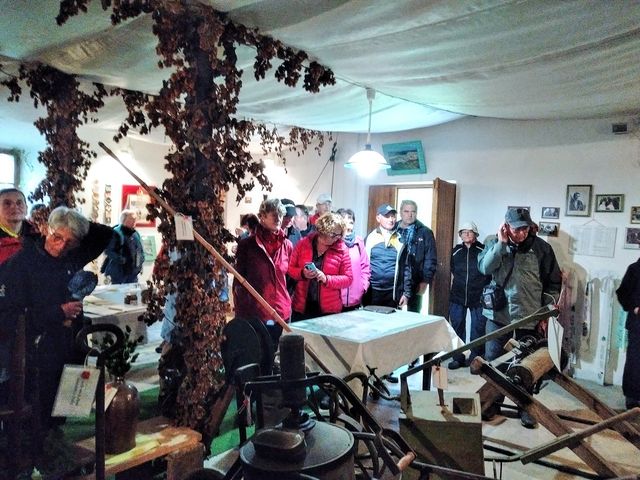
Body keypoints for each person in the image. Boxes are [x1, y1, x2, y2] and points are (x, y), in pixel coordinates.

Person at [0, 206, 113, 429]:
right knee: (34, 414)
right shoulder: (21, 264)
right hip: (33, 353)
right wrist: (59, 312)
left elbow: (104, 234)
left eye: (70, 242)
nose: (61, 246)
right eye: (57, 237)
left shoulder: (72, 256)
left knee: (62, 407)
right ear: (46, 229)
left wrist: (71, 217)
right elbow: (9, 315)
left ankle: (54, 441)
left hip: (66, 346)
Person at [478, 207, 561, 428]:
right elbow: (484, 268)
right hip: (498, 315)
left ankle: (525, 406)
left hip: (529, 316)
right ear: (506, 227)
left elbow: (553, 283)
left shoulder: (542, 248)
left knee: (526, 365)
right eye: (517, 229)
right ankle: (493, 403)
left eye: (525, 228)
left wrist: (545, 312)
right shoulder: (493, 243)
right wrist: (501, 244)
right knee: (494, 362)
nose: (522, 233)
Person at [233, 198, 292, 350]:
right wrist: (241, 313)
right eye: (274, 214)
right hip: (255, 312)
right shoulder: (247, 245)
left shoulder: (287, 245)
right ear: (262, 217)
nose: (278, 218)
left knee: (274, 352)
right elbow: (239, 282)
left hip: (279, 312)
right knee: (256, 353)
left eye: (280, 214)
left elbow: (288, 278)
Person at [288, 213, 353, 321]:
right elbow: (290, 269)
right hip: (302, 307)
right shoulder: (303, 244)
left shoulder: (342, 250)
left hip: (329, 310)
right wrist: (302, 273)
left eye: (339, 235)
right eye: (334, 235)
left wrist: (326, 279)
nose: (337, 238)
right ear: (323, 231)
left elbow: (348, 279)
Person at [447, 222, 491, 369]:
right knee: (457, 327)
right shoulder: (455, 251)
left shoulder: (483, 250)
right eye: (463, 232)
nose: (466, 234)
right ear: (460, 235)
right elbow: (452, 269)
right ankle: (457, 358)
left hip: (478, 297)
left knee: (477, 329)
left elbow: (488, 271)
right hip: (457, 296)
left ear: (476, 234)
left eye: (470, 231)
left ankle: (474, 359)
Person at [365, 203, 412, 309]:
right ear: (378, 218)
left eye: (393, 216)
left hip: (392, 293)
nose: (391, 219)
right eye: (387, 216)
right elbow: (362, 266)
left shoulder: (401, 240)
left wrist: (406, 293)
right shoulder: (369, 238)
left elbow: (406, 268)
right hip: (372, 292)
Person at [395, 200, 437, 314]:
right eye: (406, 211)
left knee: (414, 315)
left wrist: (425, 281)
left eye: (413, 211)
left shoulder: (425, 232)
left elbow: (430, 259)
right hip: (396, 280)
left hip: (416, 280)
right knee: (393, 314)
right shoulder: (393, 229)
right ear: (400, 212)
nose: (410, 215)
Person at [615, 258, 640, 410]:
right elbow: (622, 293)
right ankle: (632, 398)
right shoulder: (635, 269)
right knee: (635, 362)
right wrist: (635, 307)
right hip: (637, 325)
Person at [336, 208, 370, 310]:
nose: (350, 220)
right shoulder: (334, 241)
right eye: (346, 218)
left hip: (355, 299)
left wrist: (363, 286)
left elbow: (365, 266)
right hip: (336, 299)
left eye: (351, 218)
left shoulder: (359, 242)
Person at [101, 209, 144, 284]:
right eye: (131, 219)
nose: (134, 221)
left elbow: (140, 249)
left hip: (133, 272)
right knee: (119, 290)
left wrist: (141, 260)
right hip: (119, 272)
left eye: (135, 219)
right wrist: (122, 260)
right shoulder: (116, 232)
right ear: (124, 219)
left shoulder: (135, 233)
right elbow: (108, 251)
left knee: (132, 290)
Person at [0, 187, 38, 264]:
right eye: (7, 203)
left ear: (26, 209)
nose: (14, 207)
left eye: (19, 203)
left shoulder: (37, 234)